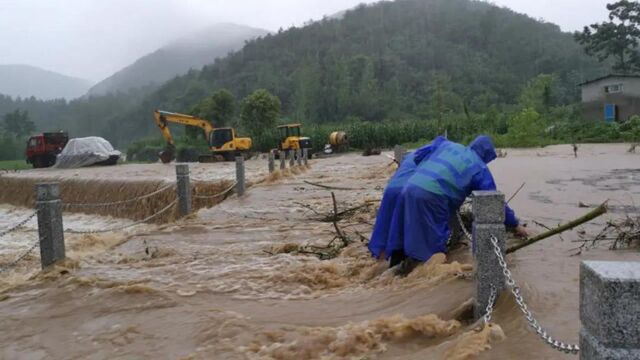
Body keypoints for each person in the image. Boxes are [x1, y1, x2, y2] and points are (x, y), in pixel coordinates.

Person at [385, 135, 528, 275]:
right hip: (433, 197)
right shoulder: (480, 168)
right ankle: (416, 278)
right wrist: (515, 224)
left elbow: (419, 156)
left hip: (409, 188)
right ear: (486, 155)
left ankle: (393, 272)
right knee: (434, 247)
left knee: (407, 230)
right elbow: (493, 201)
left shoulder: (447, 145)